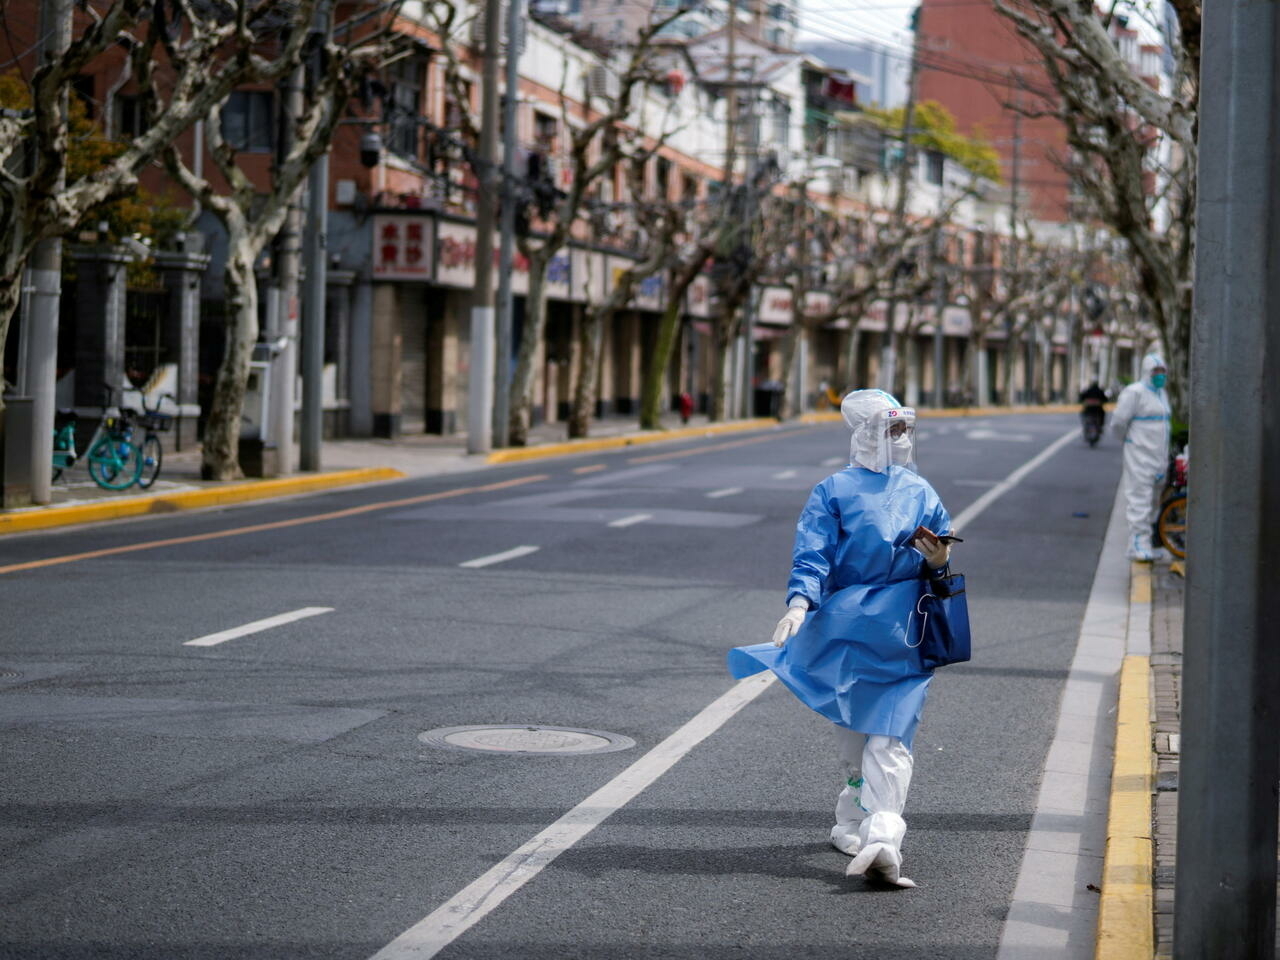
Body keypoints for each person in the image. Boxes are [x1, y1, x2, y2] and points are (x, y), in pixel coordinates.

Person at [727, 389, 955, 888]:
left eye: (905, 429)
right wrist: (798, 604)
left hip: (904, 632)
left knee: (891, 734)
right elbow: (813, 555)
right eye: (891, 429)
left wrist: (937, 561)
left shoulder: (921, 490)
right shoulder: (832, 491)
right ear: (867, 434)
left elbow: (942, 553)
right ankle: (852, 818)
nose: (902, 438)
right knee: (853, 726)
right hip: (846, 626)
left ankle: (883, 835)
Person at [1112, 353, 1172, 561]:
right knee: (1139, 500)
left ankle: (1145, 543)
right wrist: (1129, 442)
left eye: (1162, 371)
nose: (1160, 375)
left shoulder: (1161, 394)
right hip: (1139, 454)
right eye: (1156, 371)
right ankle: (1138, 546)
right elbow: (1118, 422)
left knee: (1154, 500)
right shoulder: (1134, 392)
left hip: (1158, 457)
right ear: (1147, 372)